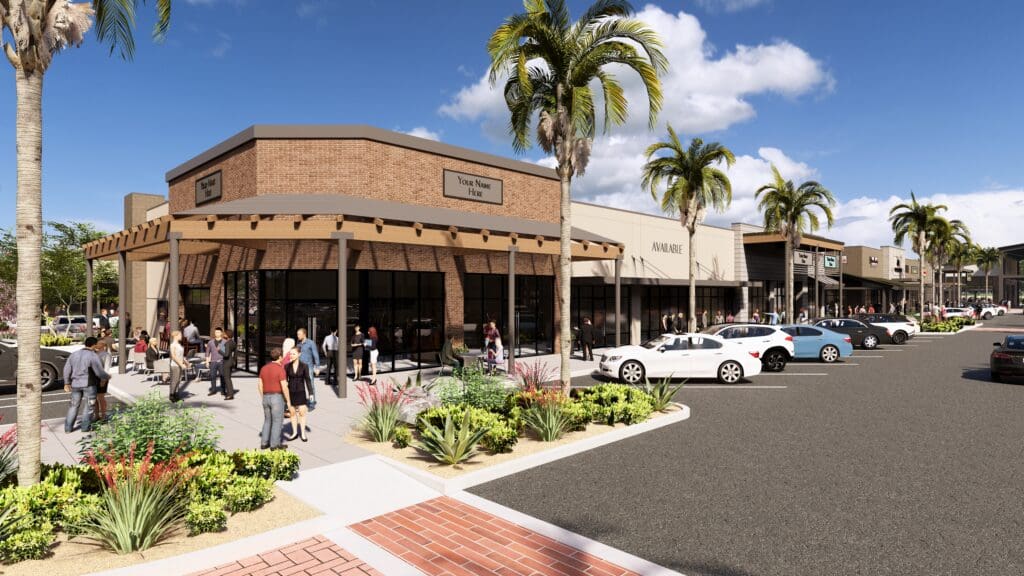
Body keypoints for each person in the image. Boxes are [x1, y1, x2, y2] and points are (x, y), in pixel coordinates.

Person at [63, 336, 110, 434]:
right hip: (89, 384)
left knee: (73, 406)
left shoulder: (74, 354)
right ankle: (85, 427)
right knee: (89, 406)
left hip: (75, 384)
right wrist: (106, 377)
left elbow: (66, 369)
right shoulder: (93, 356)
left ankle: (68, 428)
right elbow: (99, 371)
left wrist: (67, 382)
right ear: (94, 345)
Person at [258, 348, 291, 450]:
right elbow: (284, 386)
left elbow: (259, 385)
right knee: (277, 421)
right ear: (280, 357)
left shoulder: (264, 368)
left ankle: (264, 443)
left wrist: (263, 397)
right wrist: (288, 401)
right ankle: (275, 445)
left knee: (267, 420)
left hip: (266, 397)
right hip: (277, 397)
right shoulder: (280, 369)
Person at [284, 348, 310, 442]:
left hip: (301, 392)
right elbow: (284, 381)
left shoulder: (304, 366)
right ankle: (294, 433)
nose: (291, 355)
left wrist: (310, 393)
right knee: (292, 413)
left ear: (299, 354)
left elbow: (308, 380)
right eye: (290, 354)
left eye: (293, 354)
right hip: (290, 392)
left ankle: (303, 433)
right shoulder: (287, 366)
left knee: (302, 413)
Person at [296, 328, 320, 405]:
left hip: (308, 367)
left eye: (299, 334)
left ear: (304, 334)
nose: (298, 336)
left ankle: (312, 402)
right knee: (300, 386)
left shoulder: (311, 343)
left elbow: (315, 355)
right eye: (297, 334)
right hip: (299, 367)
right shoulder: (298, 343)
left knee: (310, 386)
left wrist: (317, 367)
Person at [92, 340, 112, 420]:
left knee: (101, 397)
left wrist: (103, 380)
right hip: (94, 378)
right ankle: (96, 415)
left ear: (103, 345)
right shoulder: (94, 354)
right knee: (94, 398)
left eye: (98, 343)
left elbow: (107, 368)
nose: (96, 344)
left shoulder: (106, 355)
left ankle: (103, 415)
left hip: (101, 378)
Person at [168, 330, 189, 402]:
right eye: (180, 335)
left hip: (180, 365)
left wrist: (186, 363)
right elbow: (173, 356)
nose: (181, 336)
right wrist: (181, 364)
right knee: (175, 380)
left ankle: (175, 394)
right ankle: (171, 395)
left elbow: (181, 356)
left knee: (179, 380)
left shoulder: (179, 345)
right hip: (175, 365)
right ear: (176, 336)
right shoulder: (172, 345)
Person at [206, 328, 226, 397]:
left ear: (221, 333)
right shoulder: (210, 342)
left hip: (222, 361)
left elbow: (226, 352)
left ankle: (223, 390)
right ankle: (213, 390)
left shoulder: (224, 342)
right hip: (213, 362)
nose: (216, 333)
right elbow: (207, 352)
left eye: (218, 332)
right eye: (215, 332)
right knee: (212, 376)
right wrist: (207, 361)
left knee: (222, 376)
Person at [220, 328, 236, 400]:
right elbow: (235, 353)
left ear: (227, 335)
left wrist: (219, 351)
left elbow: (226, 354)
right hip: (231, 362)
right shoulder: (233, 342)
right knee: (229, 378)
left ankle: (230, 395)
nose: (223, 335)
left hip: (226, 363)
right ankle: (230, 392)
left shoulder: (227, 343)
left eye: (224, 334)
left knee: (227, 379)